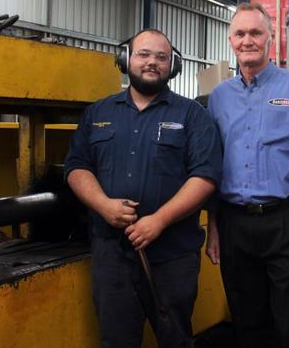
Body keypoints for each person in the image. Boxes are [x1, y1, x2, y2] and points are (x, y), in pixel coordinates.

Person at [64, 28, 222, 348]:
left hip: (173, 256)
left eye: (161, 57)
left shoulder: (193, 115)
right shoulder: (98, 113)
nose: (152, 63)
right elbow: (77, 167)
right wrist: (104, 205)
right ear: (127, 59)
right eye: (144, 54)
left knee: (175, 338)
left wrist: (160, 220)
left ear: (172, 66)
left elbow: (205, 176)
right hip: (113, 255)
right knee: (116, 340)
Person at [205, 2, 289, 348]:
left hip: (287, 223)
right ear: (231, 40)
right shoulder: (218, 98)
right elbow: (212, 167)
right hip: (234, 225)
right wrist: (213, 226)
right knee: (247, 324)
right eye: (240, 33)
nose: (247, 40)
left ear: (271, 38)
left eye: (256, 32)